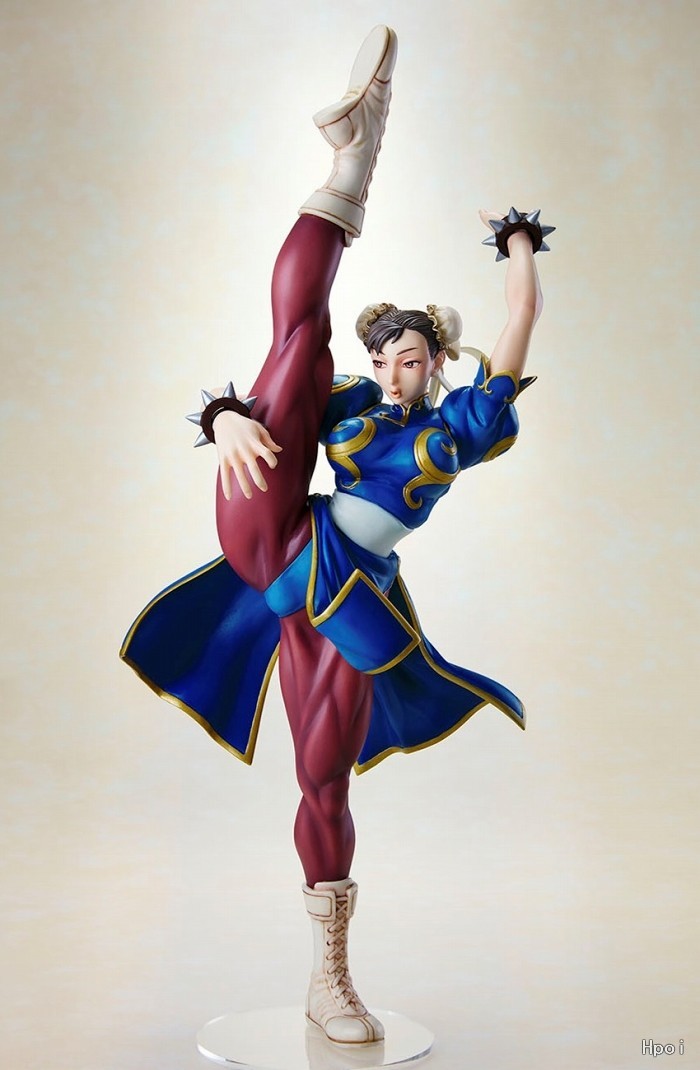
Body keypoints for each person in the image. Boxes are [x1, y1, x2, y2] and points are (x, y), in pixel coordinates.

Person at [121, 25, 550, 1046]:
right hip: (282, 535)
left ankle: (330, 975)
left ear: (437, 362)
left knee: (322, 775)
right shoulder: (352, 398)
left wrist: (518, 244)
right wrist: (227, 418)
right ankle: (354, 158)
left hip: (353, 596)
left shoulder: (459, 427)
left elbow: (520, 322)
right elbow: (281, 368)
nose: (393, 371)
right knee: (299, 333)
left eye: (411, 358)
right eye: (386, 356)